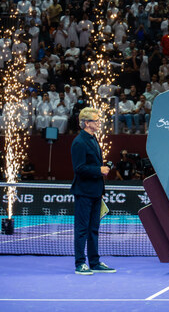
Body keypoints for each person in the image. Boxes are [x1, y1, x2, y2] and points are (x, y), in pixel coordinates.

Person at [70, 107, 115, 275]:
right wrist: (99, 170)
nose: (99, 123)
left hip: (96, 192)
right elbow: (79, 168)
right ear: (87, 123)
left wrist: (101, 172)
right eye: (96, 121)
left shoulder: (93, 139)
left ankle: (94, 262)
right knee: (82, 229)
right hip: (84, 192)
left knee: (94, 229)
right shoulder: (79, 142)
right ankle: (80, 263)